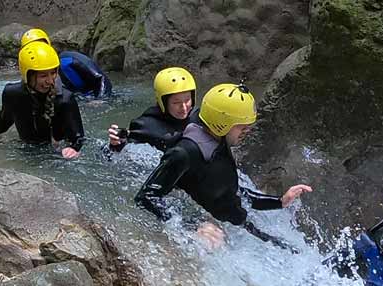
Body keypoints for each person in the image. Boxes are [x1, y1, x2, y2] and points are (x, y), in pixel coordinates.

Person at [134, 83, 312, 250]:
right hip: (219, 233)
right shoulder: (185, 153)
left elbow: (231, 192)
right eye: (242, 128)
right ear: (222, 124)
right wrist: (191, 226)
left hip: (238, 226)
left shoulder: (219, 143)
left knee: (291, 251)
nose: (247, 132)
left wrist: (280, 201)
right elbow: (146, 197)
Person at [0, 40, 84, 158]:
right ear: (28, 76)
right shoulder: (12, 94)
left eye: (53, 73)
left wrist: (73, 149)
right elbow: (2, 123)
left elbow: (78, 138)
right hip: (26, 151)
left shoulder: (65, 99)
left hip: (57, 154)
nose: (50, 81)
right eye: (43, 75)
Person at [109, 67, 197, 154]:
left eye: (187, 100)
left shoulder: (199, 117)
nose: (184, 107)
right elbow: (114, 156)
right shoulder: (146, 126)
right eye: (176, 102)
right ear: (163, 102)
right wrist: (116, 145)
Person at [19, 29, 112, 98]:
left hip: (96, 97)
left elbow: (101, 78)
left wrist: (100, 101)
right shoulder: (29, 79)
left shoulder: (68, 60)